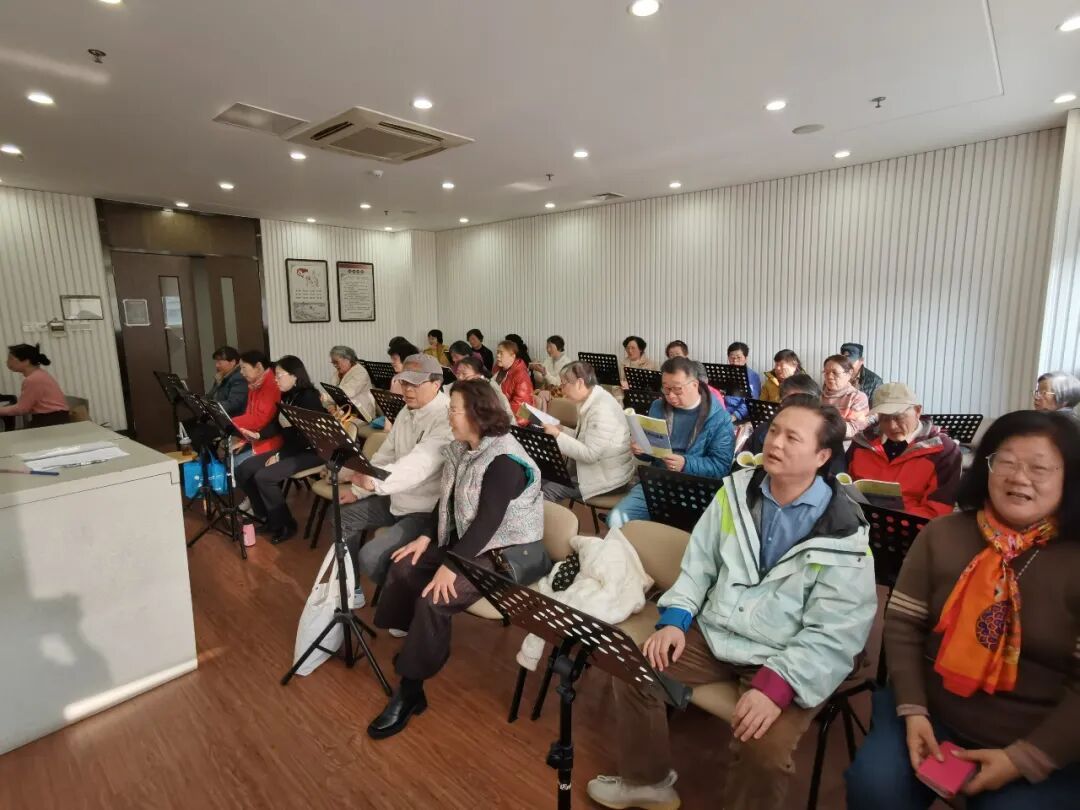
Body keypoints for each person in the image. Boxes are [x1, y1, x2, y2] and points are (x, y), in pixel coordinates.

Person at [588, 400, 877, 810]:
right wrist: (675, 618)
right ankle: (645, 781)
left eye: (792, 437)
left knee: (764, 749)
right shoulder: (737, 491)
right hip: (717, 631)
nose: (775, 442)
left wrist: (777, 686)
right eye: (774, 430)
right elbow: (699, 564)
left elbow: (837, 631)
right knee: (634, 666)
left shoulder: (844, 531)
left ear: (822, 456)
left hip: (784, 655)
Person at [845, 410, 1080, 809]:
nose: (1019, 478)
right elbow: (903, 627)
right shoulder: (943, 534)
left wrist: (1023, 758)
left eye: (1039, 468)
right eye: (1006, 462)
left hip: (1039, 736)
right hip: (931, 713)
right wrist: (914, 712)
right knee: (875, 788)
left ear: (1070, 478)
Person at [366, 379, 544, 739]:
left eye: (454, 410)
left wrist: (450, 566)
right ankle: (419, 643)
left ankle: (410, 691)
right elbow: (445, 500)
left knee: (435, 597)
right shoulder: (463, 448)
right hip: (469, 540)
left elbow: (487, 524)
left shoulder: (505, 460)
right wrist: (425, 537)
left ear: (477, 414)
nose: (448, 416)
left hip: (504, 551)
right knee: (403, 566)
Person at [339, 354, 453, 606]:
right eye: (404, 382)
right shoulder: (406, 411)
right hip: (396, 498)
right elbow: (386, 455)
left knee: (371, 557)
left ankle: (406, 598)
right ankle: (353, 588)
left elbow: (420, 463)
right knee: (342, 517)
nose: (407, 389)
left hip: (424, 511)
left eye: (415, 384)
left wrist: (375, 483)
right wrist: (359, 490)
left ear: (436, 384)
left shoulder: (446, 416)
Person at [607, 357, 735, 529]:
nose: (671, 396)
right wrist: (641, 449)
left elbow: (721, 466)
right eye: (666, 389)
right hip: (658, 481)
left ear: (694, 385)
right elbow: (651, 453)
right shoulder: (657, 407)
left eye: (677, 389)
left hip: (695, 488)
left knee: (688, 534)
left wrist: (686, 464)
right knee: (615, 521)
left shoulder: (719, 418)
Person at [234, 356, 325, 543]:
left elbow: (307, 437)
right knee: (244, 469)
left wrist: (280, 455)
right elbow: (276, 424)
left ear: (294, 376)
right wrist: (259, 435)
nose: (275, 380)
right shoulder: (287, 394)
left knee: (264, 477)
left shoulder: (309, 397)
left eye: (279, 375)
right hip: (292, 448)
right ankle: (268, 517)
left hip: (312, 451)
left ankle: (286, 525)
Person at [847, 383, 961, 518]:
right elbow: (844, 487)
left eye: (898, 417)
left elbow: (937, 511)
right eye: (884, 418)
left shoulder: (944, 451)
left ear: (917, 411)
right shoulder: (861, 443)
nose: (892, 426)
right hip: (858, 521)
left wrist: (887, 519)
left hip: (913, 527)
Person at [540, 361, 635, 504]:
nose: (562, 390)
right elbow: (585, 438)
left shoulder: (602, 409)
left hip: (610, 479)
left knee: (549, 490)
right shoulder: (591, 399)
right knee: (541, 477)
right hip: (596, 470)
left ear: (579, 383)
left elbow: (590, 455)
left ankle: (545, 519)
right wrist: (562, 430)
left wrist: (558, 436)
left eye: (564, 384)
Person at [745, 375, 847, 477]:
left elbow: (835, 477)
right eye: (789, 402)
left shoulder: (827, 438)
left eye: (802, 403)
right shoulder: (762, 431)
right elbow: (743, 466)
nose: (776, 443)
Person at [0, 344, 69, 428]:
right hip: (53, 418)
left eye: (11, 358)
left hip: (51, 421)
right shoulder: (39, 374)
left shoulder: (33, 379)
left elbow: (22, 409)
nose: (7, 362)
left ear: (26, 361)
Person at [230, 350, 281, 461]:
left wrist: (231, 422)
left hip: (269, 439)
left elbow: (261, 420)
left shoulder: (272, 385)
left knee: (237, 462)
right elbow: (249, 413)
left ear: (258, 367)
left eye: (244, 368)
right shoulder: (254, 384)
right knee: (230, 455)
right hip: (254, 437)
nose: (241, 372)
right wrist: (243, 440)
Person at [821, 354, 871, 437]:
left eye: (835, 372)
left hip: (847, 443)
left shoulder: (857, 397)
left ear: (849, 373)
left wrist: (820, 426)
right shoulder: (819, 396)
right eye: (826, 372)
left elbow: (853, 428)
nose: (829, 377)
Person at [324, 345, 376, 421]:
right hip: (343, 413)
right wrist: (331, 406)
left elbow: (346, 393)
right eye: (333, 363)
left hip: (360, 416)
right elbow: (331, 391)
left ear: (347, 360)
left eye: (336, 362)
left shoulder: (360, 373)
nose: (335, 365)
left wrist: (325, 397)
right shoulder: (337, 374)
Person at [492, 340, 533, 425]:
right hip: (498, 413)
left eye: (501, 353)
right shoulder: (497, 369)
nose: (498, 355)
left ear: (512, 356)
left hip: (516, 420)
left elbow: (522, 406)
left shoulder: (521, 375)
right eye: (497, 352)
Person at [724, 341, 763, 421]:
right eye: (732, 358)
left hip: (739, 417)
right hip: (722, 412)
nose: (735, 361)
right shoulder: (724, 373)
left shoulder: (753, 376)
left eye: (739, 357)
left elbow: (751, 401)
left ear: (745, 358)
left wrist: (735, 416)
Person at [206, 345, 248, 416]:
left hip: (231, 418)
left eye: (219, 362)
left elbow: (233, 404)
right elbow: (210, 396)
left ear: (233, 362)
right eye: (216, 362)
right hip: (219, 414)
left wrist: (211, 407)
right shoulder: (222, 375)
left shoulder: (239, 377)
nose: (217, 365)